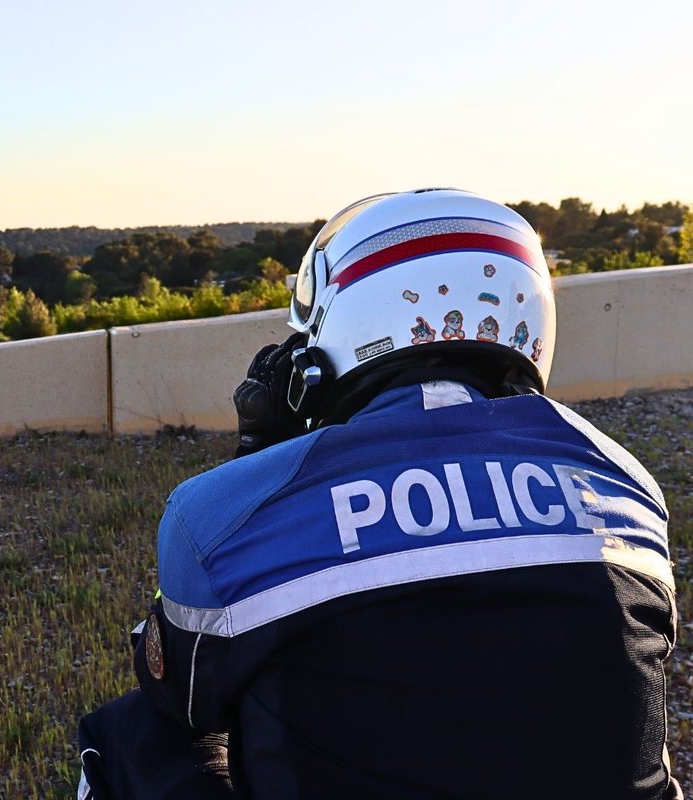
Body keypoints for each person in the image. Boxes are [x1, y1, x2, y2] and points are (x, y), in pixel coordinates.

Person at [77, 188, 682, 799]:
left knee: (126, 733)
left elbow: (183, 695)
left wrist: (261, 466)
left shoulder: (214, 512)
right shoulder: (627, 485)